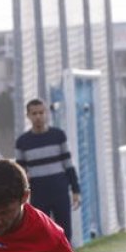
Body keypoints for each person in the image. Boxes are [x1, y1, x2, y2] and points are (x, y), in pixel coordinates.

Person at [14, 98, 81, 242]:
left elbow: (68, 164)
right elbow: (20, 173)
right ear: (28, 116)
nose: (38, 116)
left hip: (60, 190)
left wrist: (75, 190)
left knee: (64, 232)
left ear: (47, 114)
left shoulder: (58, 136)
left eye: (41, 112)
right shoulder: (22, 142)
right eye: (34, 113)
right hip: (38, 193)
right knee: (41, 232)